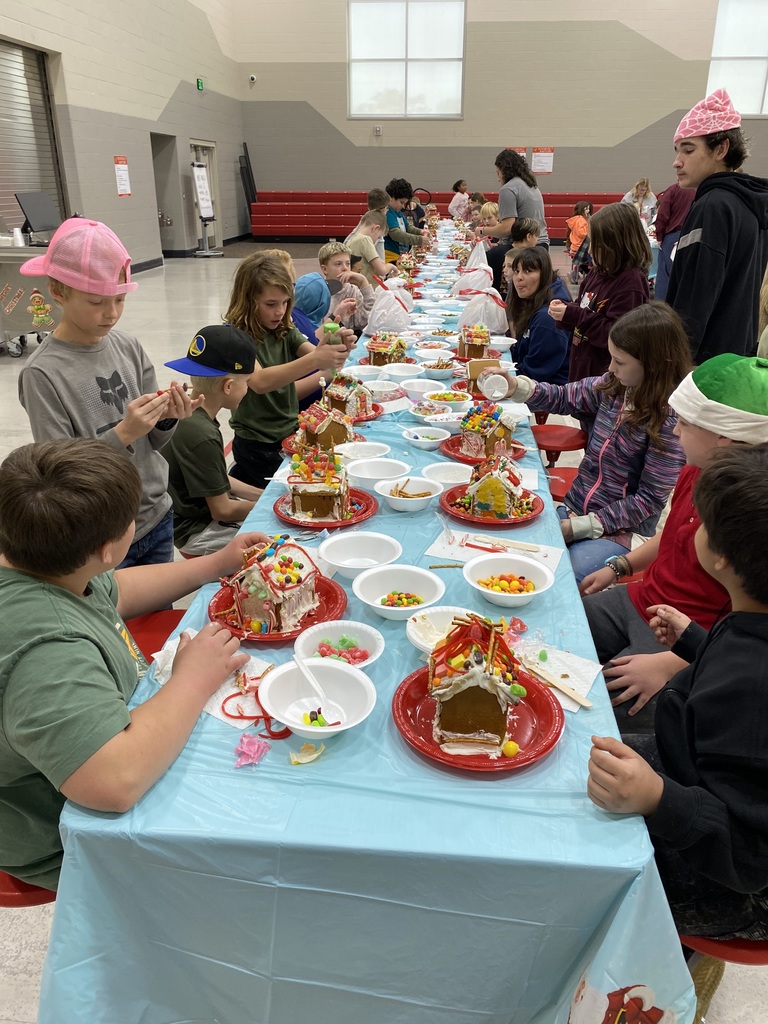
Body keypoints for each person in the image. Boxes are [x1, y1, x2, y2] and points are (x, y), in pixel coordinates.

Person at [0, 437, 269, 890]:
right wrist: (193, 679)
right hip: (65, 840)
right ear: (109, 547)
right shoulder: (47, 649)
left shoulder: (39, 563)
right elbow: (115, 781)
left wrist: (215, 564)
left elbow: (115, 590)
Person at [587, 442, 768, 947]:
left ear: (722, 557)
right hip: (694, 776)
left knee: (580, 848)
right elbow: (733, 663)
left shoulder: (751, 694)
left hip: (730, 881)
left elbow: (750, 858)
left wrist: (657, 798)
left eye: (702, 524)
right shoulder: (749, 619)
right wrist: (695, 642)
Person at [580, 354, 768, 733]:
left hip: (688, 641)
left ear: (723, 437)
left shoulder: (751, 516)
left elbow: (748, 641)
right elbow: (671, 535)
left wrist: (673, 665)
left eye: (684, 422)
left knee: (597, 712)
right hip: (645, 599)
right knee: (562, 624)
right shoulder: (695, 470)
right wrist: (620, 566)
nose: (675, 431)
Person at [17, 217, 201, 569]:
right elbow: (58, 477)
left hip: (156, 513)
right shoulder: (42, 374)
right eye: (96, 301)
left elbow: (153, 443)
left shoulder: (128, 347)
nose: (112, 313)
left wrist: (166, 419)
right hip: (103, 535)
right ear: (58, 291)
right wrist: (123, 434)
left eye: (119, 299)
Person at [481, 303, 689, 583]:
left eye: (620, 362)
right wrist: (517, 386)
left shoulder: (669, 421)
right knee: (513, 550)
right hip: (576, 508)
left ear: (652, 364)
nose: (611, 368)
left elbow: (648, 500)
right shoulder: (615, 387)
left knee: (561, 577)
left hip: (621, 531)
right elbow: (563, 397)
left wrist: (580, 527)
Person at [225, 253, 353, 488]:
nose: (280, 311)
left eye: (285, 303)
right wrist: (317, 359)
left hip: (289, 431)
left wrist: (336, 349)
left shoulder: (283, 325)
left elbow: (312, 352)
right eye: (271, 304)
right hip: (257, 443)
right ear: (248, 300)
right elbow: (260, 382)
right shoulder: (235, 335)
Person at [666, 88, 768, 362]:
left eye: (688, 149)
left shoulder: (712, 206)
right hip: (735, 356)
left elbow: (694, 300)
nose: (677, 162)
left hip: (703, 364)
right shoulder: (749, 205)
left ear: (721, 149)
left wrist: (674, 363)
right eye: (677, 150)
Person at [161, 325, 263, 556]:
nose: (247, 390)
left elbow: (215, 478)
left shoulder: (185, 412)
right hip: (197, 530)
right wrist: (268, 507)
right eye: (246, 382)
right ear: (228, 386)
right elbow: (222, 510)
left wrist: (261, 495)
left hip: (188, 521)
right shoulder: (202, 433)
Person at [548, 203, 651, 382]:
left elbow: (618, 336)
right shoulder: (596, 273)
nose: (589, 250)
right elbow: (583, 310)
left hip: (606, 380)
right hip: (581, 372)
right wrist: (565, 313)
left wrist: (574, 315)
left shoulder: (631, 283)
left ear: (615, 245)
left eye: (595, 244)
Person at [479, 149, 549, 291]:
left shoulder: (508, 189)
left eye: (498, 173)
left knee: (488, 259)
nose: (498, 178)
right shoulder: (531, 185)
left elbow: (507, 228)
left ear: (505, 170)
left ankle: (495, 297)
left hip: (526, 245)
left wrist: (482, 230)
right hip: (543, 244)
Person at [503, 246, 570, 385]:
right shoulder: (532, 300)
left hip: (549, 391)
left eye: (528, 271)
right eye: (516, 271)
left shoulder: (548, 317)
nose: (519, 277)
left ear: (544, 274)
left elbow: (535, 373)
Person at [317, 240, 374, 333]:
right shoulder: (318, 293)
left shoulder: (353, 290)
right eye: (338, 264)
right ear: (324, 269)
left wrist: (364, 282)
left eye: (348, 263)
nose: (345, 268)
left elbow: (365, 322)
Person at [652, 183, 695, 301]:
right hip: (691, 235)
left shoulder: (673, 190)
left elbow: (662, 214)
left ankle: (661, 309)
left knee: (665, 277)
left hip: (672, 236)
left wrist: (659, 236)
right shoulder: (697, 190)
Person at [383, 178, 428, 264]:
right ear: (391, 197)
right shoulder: (387, 213)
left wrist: (421, 231)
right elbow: (396, 234)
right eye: (401, 202)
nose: (403, 206)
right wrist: (419, 239)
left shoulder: (397, 212)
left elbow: (408, 227)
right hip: (389, 257)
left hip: (399, 255)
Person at [344, 187, 390, 266]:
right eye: (387, 208)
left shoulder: (364, 222)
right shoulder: (378, 227)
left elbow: (346, 243)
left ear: (368, 208)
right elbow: (381, 259)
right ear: (384, 209)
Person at [346, 210, 393, 285]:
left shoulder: (350, 239)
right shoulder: (365, 240)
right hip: (369, 288)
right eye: (378, 237)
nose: (376, 241)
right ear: (375, 228)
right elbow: (382, 270)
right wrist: (392, 266)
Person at [564, 201, 593, 283]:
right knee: (591, 254)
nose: (588, 211)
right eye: (586, 209)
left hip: (574, 245)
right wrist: (589, 231)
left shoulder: (575, 219)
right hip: (580, 246)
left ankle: (577, 271)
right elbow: (582, 233)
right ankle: (589, 270)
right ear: (582, 209)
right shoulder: (581, 220)